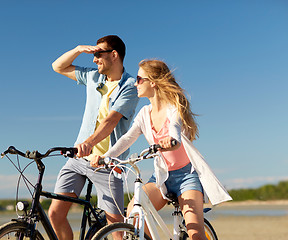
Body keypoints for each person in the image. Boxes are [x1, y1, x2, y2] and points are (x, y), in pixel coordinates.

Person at [91, 59, 232, 240]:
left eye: (139, 79)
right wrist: (105, 157)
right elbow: (127, 138)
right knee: (135, 210)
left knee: (195, 233)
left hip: (186, 176)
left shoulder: (173, 107)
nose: (135, 83)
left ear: (153, 82)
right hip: (161, 177)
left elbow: (174, 128)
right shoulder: (144, 113)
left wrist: (172, 140)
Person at [49, 35, 139, 240]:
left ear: (114, 55)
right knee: (55, 214)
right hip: (78, 159)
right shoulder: (93, 78)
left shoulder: (130, 86)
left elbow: (111, 121)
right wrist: (79, 48)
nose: (94, 59)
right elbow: (58, 66)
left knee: (115, 229)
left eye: (98, 54)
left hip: (107, 164)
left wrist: (88, 143)